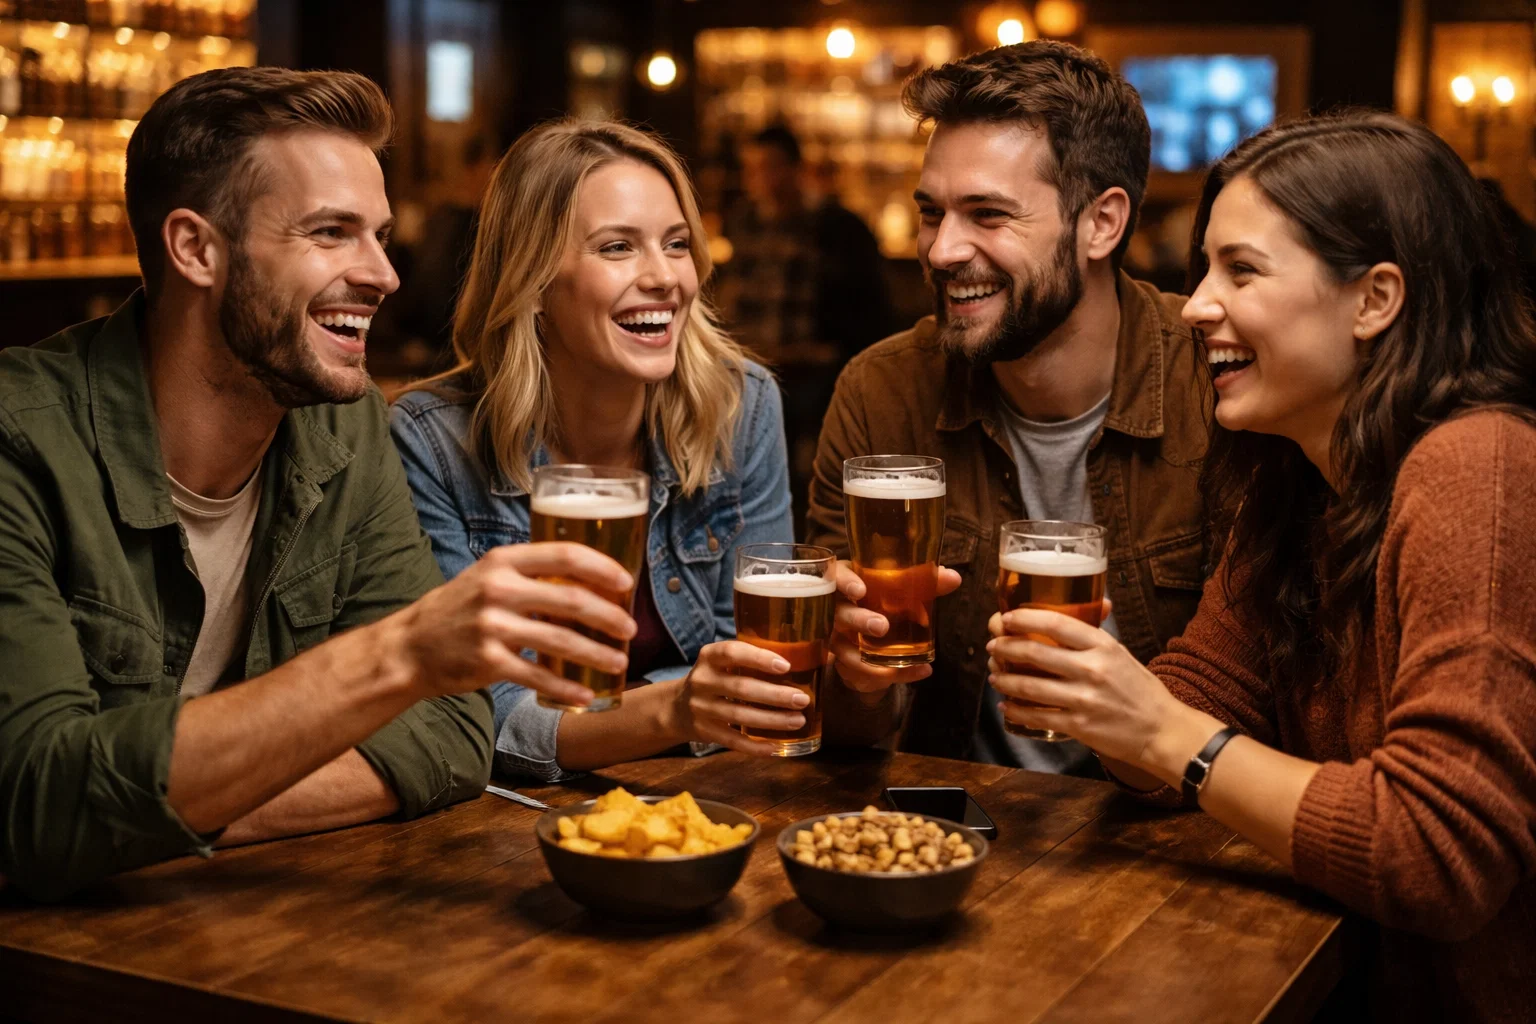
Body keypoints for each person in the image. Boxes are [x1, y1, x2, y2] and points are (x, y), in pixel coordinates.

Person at [0, 69, 638, 901]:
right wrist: (400, 656)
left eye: (378, 234)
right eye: (332, 232)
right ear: (195, 249)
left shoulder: (345, 424)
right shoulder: (21, 437)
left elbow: (450, 734)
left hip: (246, 926)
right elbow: (34, 801)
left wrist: (147, 818)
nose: (384, 274)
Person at [988, 111, 1536, 1020]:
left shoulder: (1480, 466)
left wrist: (1163, 733)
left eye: (1240, 271)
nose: (1196, 305)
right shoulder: (1296, 476)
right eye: (1204, 269)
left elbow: (1439, 854)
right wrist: (1106, 707)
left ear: (1376, 299)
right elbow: (1202, 697)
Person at [808, 41, 1211, 771]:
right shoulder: (880, 391)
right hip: (952, 818)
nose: (941, 251)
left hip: (1164, 820)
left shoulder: (1212, 386)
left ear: (1101, 223)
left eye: (987, 214)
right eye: (932, 213)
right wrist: (855, 676)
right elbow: (844, 733)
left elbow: (1263, 709)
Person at [391, 118, 804, 782]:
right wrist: (676, 708)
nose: (664, 277)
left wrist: (644, 716)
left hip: (708, 797)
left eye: (676, 244)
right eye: (617, 247)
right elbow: (475, 714)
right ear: (531, 281)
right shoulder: (433, 440)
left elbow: (759, 658)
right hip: (511, 819)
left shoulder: (740, 404)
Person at [714, 123, 899, 523]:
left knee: (811, 479)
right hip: (751, 368)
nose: (759, 179)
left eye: (769, 167)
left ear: (796, 169)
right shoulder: (743, 221)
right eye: (751, 169)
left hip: (816, 373)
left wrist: (833, 353)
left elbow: (871, 308)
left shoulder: (838, 225)